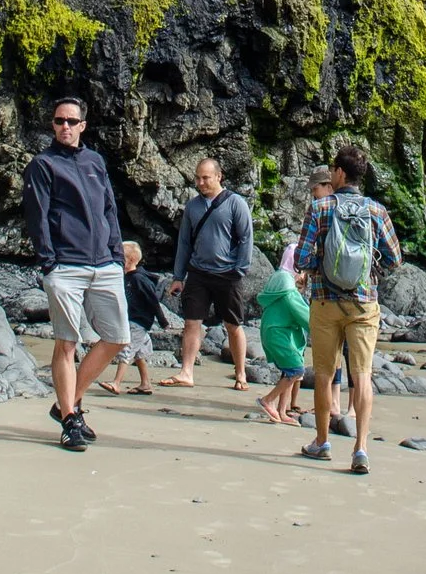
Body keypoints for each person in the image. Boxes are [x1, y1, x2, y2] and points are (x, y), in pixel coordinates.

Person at [21, 95, 127, 452]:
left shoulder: (95, 161)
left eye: (70, 121)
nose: (64, 126)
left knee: (116, 338)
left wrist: (115, 253)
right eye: (58, 121)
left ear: (83, 125)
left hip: (105, 264)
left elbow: (109, 209)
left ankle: (67, 403)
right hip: (66, 264)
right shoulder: (43, 164)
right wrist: (49, 262)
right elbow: (37, 216)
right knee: (67, 343)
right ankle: (70, 420)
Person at [292, 143, 401, 476]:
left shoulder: (321, 208)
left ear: (339, 173)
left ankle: (322, 442)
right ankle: (361, 448)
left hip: (325, 300)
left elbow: (301, 258)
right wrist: (370, 269)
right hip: (364, 302)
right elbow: (395, 258)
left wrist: (317, 268)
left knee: (324, 374)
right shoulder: (376, 211)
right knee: (362, 375)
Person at [165, 156, 254, 390]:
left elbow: (246, 238)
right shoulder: (193, 206)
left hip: (228, 274)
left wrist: (240, 269)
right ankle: (186, 371)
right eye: (197, 178)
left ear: (218, 176)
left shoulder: (236, 203)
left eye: (205, 178)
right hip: (198, 273)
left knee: (232, 325)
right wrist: (178, 276)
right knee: (191, 322)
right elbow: (184, 242)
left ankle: (241, 373)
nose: (201, 182)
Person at [252, 255, 311, 425]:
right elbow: (304, 316)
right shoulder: (289, 292)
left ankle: (282, 411)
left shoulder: (278, 282)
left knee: (289, 371)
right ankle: (267, 400)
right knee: (296, 371)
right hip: (280, 335)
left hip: (275, 332)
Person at [101, 242, 164, 395]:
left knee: (126, 349)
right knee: (139, 353)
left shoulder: (139, 279)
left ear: (129, 261)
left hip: (138, 321)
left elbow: (152, 300)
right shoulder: (127, 278)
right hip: (132, 319)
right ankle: (145, 383)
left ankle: (116, 383)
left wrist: (163, 320)